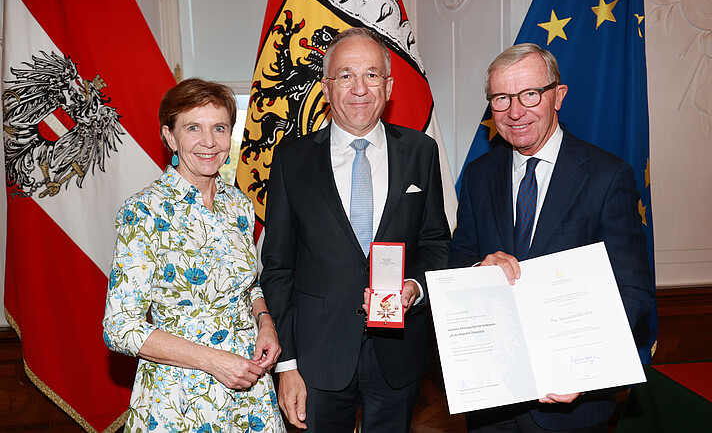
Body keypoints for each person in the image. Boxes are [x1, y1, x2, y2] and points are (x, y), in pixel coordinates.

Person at [449, 43, 655, 433]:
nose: (514, 111)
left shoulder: (606, 176)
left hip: (570, 410)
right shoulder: (478, 175)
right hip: (491, 402)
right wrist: (479, 268)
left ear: (557, 96)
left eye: (529, 94)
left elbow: (633, 289)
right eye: (501, 98)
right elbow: (457, 259)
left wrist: (584, 367)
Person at [260, 27, 450, 432]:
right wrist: (287, 364)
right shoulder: (291, 160)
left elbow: (436, 243)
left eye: (371, 75)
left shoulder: (421, 152)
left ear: (389, 85)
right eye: (345, 75)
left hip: (398, 356)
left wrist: (414, 288)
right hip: (316, 357)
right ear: (327, 88)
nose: (359, 88)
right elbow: (278, 267)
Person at [103, 78, 286, 432]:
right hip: (179, 399)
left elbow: (248, 285)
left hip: (250, 390)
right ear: (169, 136)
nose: (209, 141)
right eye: (193, 128)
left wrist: (266, 323)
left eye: (219, 128)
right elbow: (120, 327)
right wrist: (214, 361)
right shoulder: (143, 211)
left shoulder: (238, 205)